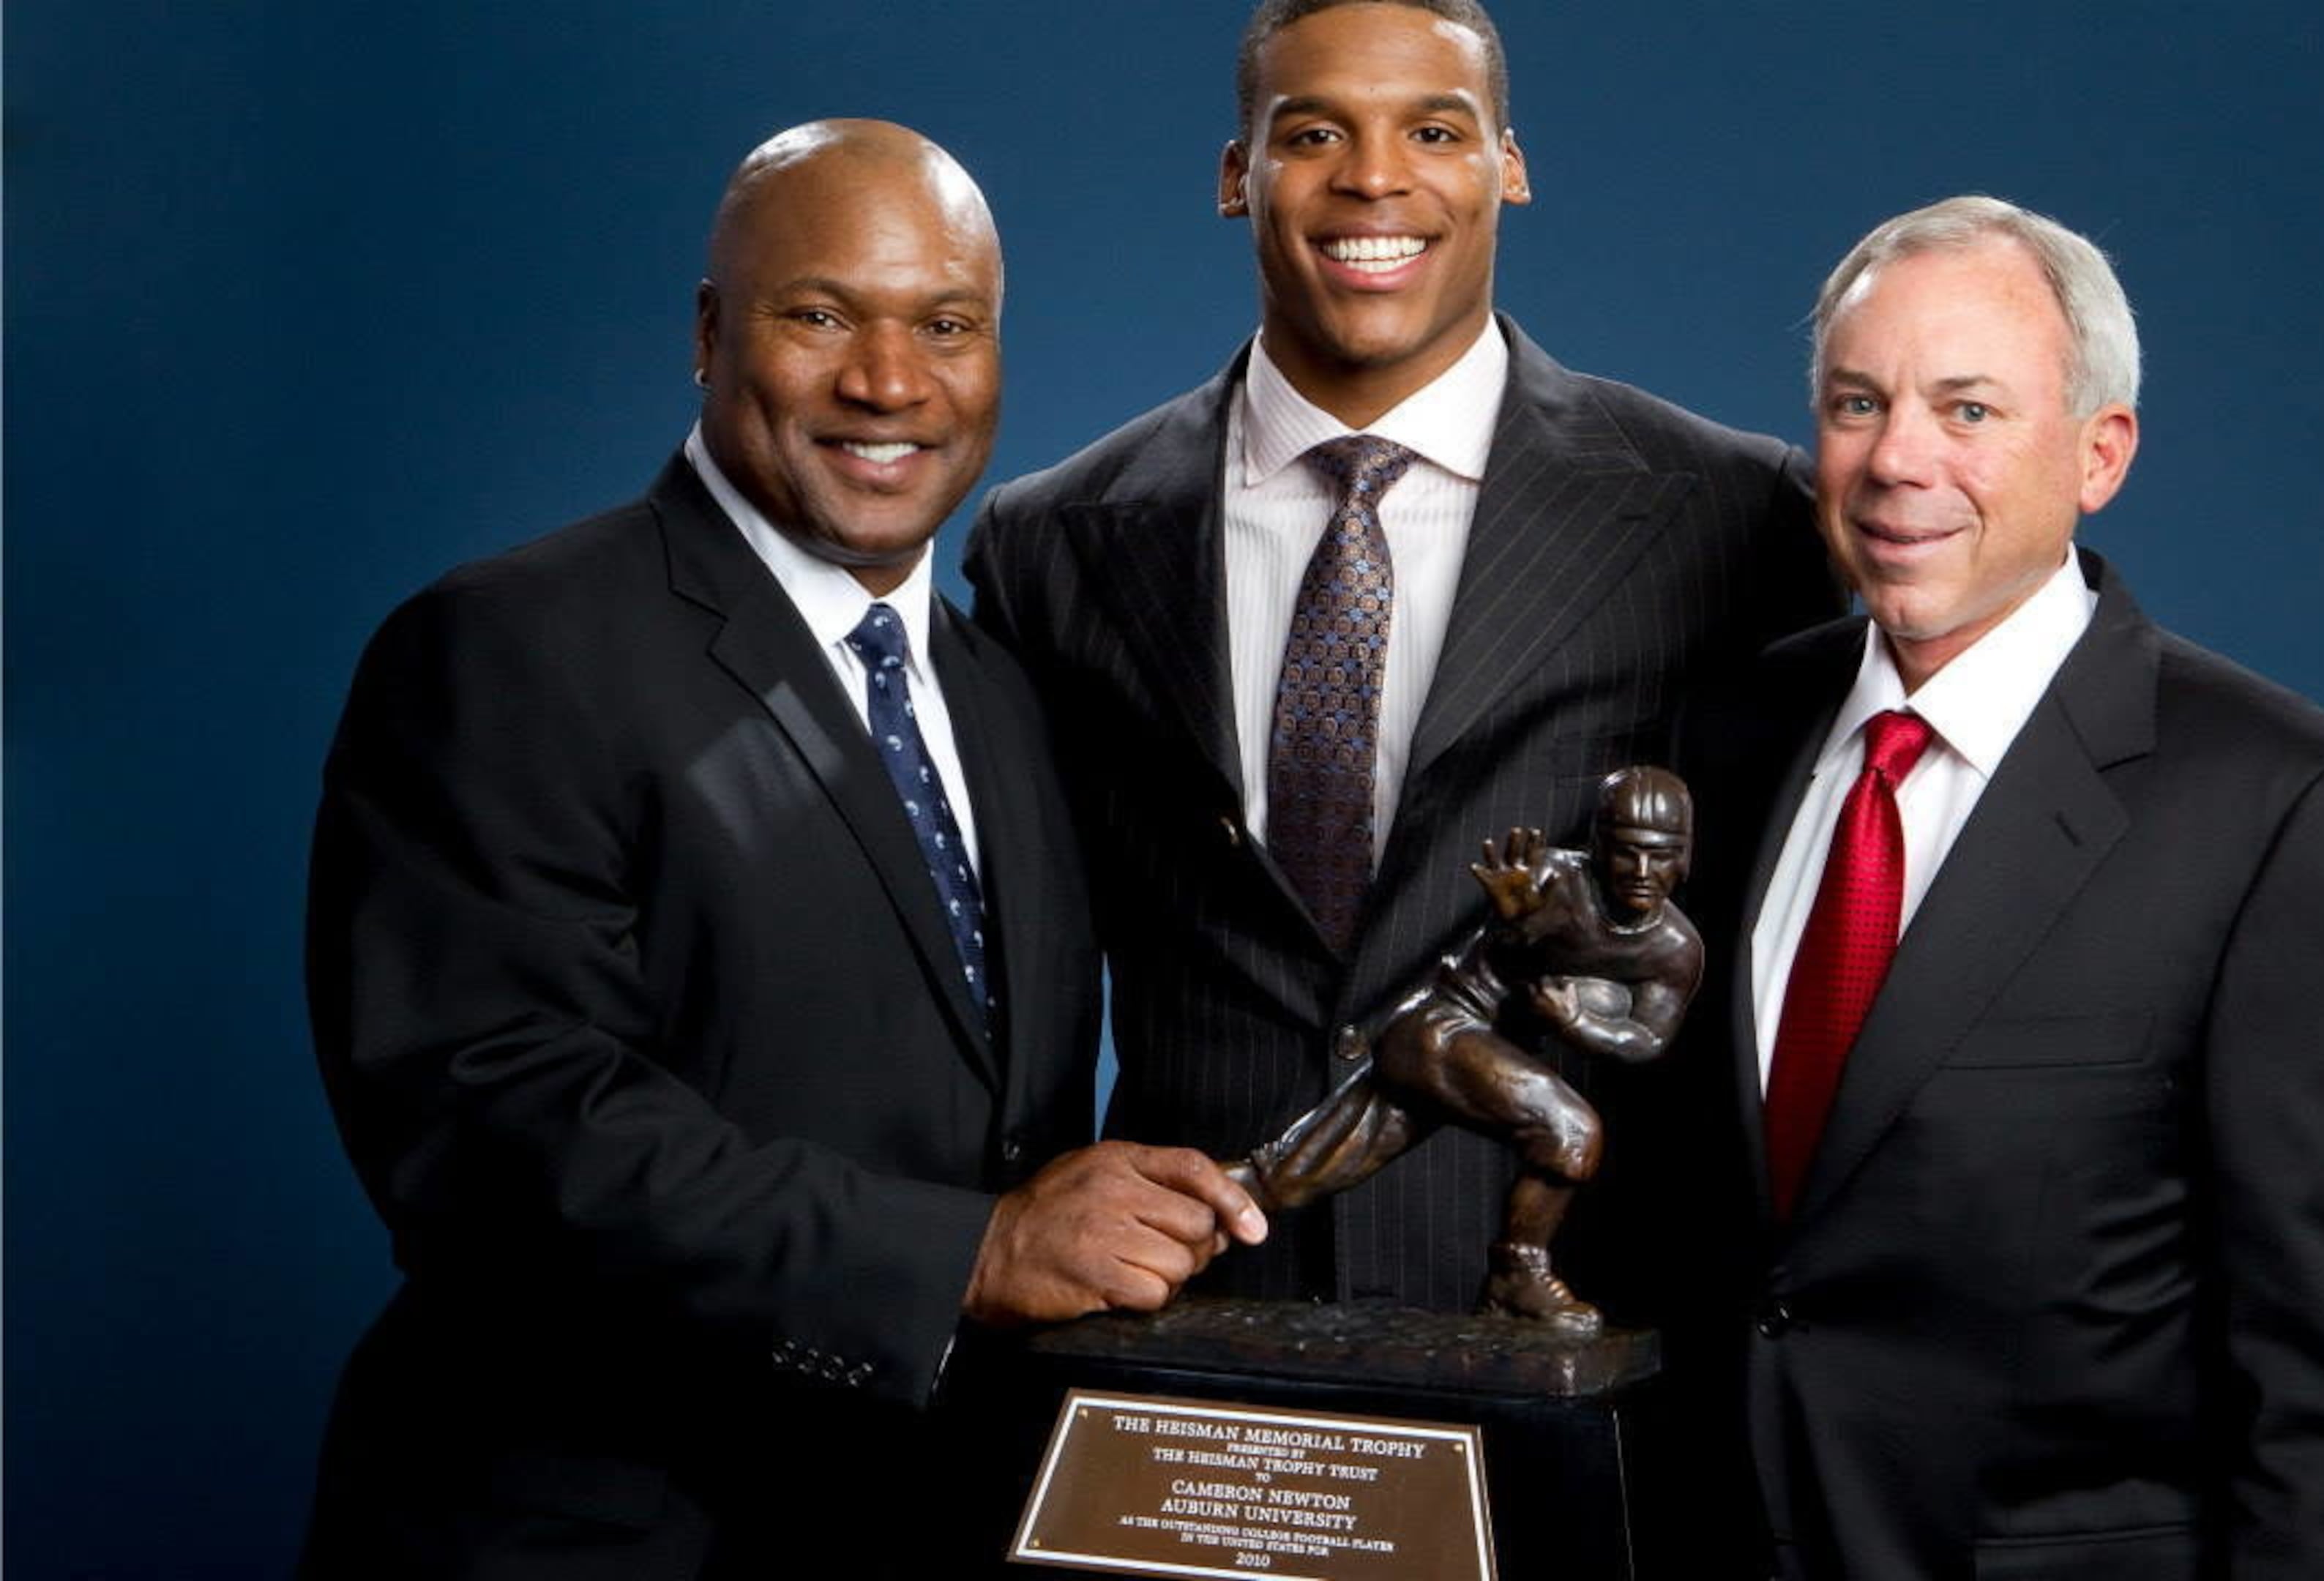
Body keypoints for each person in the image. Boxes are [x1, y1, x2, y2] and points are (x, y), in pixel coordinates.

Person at [301, 119, 1263, 1577]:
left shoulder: (1005, 697)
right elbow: (494, 1127)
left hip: (928, 1525)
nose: (889, 382)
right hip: (593, 1539)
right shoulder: (508, 647)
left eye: (947, 325)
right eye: (820, 316)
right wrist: (970, 1254)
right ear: (710, 334)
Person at [964, 0, 1837, 1315]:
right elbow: (1001, 964)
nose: (1375, 177)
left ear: (1508, 165)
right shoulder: (1051, 542)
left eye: (1434, 130)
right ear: (1238, 174)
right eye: (1315, 133)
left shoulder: (1732, 519)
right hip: (1183, 1325)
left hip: (1579, 1334)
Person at [1640, 196, 2324, 1577]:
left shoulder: (2285, 810)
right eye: (1857, 403)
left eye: (1968, 410)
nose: (1897, 460)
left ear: (2100, 455)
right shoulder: (1725, 737)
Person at [1227, 767, 1705, 1329]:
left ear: (1685, 855)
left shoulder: (1675, 949)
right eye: (1627, 853)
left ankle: (1194, 1206)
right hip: (1441, 1030)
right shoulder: (1551, 881)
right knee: (1572, 1132)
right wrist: (1519, 926)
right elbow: (1513, 945)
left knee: (1299, 1171)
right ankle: (1517, 1275)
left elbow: (1648, 1039)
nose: (1643, 872)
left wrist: (1578, 1023)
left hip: (1480, 1053)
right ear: (1599, 847)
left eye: (1660, 855)